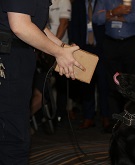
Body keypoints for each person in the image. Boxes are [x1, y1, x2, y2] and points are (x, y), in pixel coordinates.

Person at [0, 1, 83, 164]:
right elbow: (20, 26)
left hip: (16, 57)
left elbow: (37, 26)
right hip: (9, 58)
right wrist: (58, 52)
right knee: (12, 137)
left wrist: (63, 48)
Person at [93, 0, 135, 119]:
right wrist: (114, 12)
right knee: (112, 83)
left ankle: (133, 119)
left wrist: (110, 16)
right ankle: (116, 119)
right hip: (111, 44)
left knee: (133, 82)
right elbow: (96, 18)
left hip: (130, 43)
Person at [68, 0, 111, 130]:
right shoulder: (78, 4)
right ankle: (88, 117)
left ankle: (106, 116)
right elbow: (73, 26)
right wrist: (75, 47)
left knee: (104, 84)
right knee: (86, 84)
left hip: (101, 48)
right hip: (84, 48)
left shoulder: (103, 2)